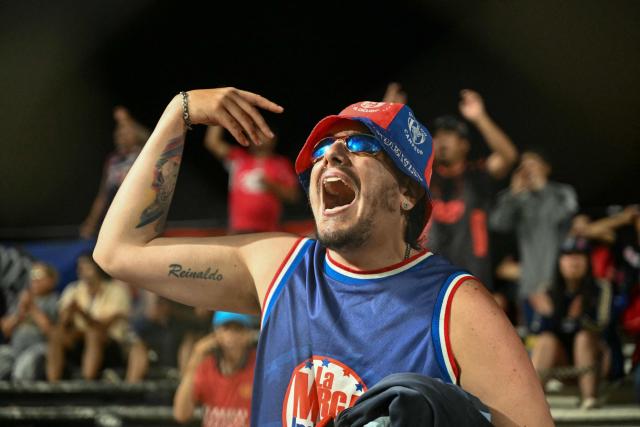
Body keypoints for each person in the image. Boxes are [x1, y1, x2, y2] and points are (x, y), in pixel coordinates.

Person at [93, 87, 552, 426]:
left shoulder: (458, 308)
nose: (331, 155)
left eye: (360, 145)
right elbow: (118, 251)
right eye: (323, 150)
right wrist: (180, 112)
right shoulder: (280, 268)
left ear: (407, 193)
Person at [427, 90, 518, 289]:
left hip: (471, 280)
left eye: (449, 135)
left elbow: (508, 156)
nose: (441, 140)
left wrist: (480, 118)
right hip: (427, 279)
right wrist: (386, 125)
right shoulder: (422, 175)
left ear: (464, 145)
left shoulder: (477, 174)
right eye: (437, 135)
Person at [529, 237, 613, 409]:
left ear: (588, 262)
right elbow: (536, 330)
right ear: (559, 262)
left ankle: (590, 398)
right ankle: (532, 404)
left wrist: (578, 319)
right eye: (567, 256)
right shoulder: (547, 290)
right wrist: (551, 315)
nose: (573, 262)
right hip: (561, 362)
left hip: (596, 361)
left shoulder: (601, 288)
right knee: (546, 340)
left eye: (579, 256)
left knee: (583, 337)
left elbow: (604, 325)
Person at [490, 149, 579, 308]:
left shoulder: (562, 192)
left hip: (561, 274)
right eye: (523, 166)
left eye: (532, 164)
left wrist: (543, 190)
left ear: (546, 168)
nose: (527, 170)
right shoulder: (515, 197)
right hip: (527, 279)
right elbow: (498, 224)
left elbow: (566, 218)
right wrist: (513, 195)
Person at [47, 253, 132, 381]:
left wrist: (81, 312)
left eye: (86, 266)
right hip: (79, 343)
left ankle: (87, 382)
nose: (81, 270)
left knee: (93, 334)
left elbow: (103, 326)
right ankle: (52, 385)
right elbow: (63, 322)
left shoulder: (116, 290)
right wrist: (68, 313)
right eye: (79, 266)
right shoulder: (73, 289)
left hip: (111, 345)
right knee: (56, 334)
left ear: (97, 267)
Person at [204, 124, 299, 233]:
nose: (258, 137)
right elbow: (212, 143)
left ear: (273, 138)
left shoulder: (281, 164)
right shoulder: (238, 158)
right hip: (239, 230)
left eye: (263, 133)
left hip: (269, 231)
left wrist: (271, 185)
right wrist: (218, 116)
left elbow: (293, 196)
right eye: (254, 133)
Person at [173, 311, 257, 426]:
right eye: (226, 328)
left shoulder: (260, 366)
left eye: (238, 329)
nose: (232, 335)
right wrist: (195, 359)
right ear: (216, 334)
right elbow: (181, 414)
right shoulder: (207, 366)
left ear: (249, 335)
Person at [79, 106, 150, 238]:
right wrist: (91, 222)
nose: (120, 136)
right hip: (115, 219)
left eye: (125, 133)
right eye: (118, 134)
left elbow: (147, 136)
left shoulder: (142, 155)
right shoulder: (112, 161)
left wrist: (125, 119)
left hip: (140, 217)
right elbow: (103, 195)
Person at [0, 262, 58, 380]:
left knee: (25, 365)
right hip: (15, 349)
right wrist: (20, 312)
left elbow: (50, 331)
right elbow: (5, 330)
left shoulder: (55, 300)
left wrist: (32, 309)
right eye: (32, 277)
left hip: (40, 349)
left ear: (51, 280)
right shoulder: (22, 301)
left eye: (39, 277)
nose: (34, 281)